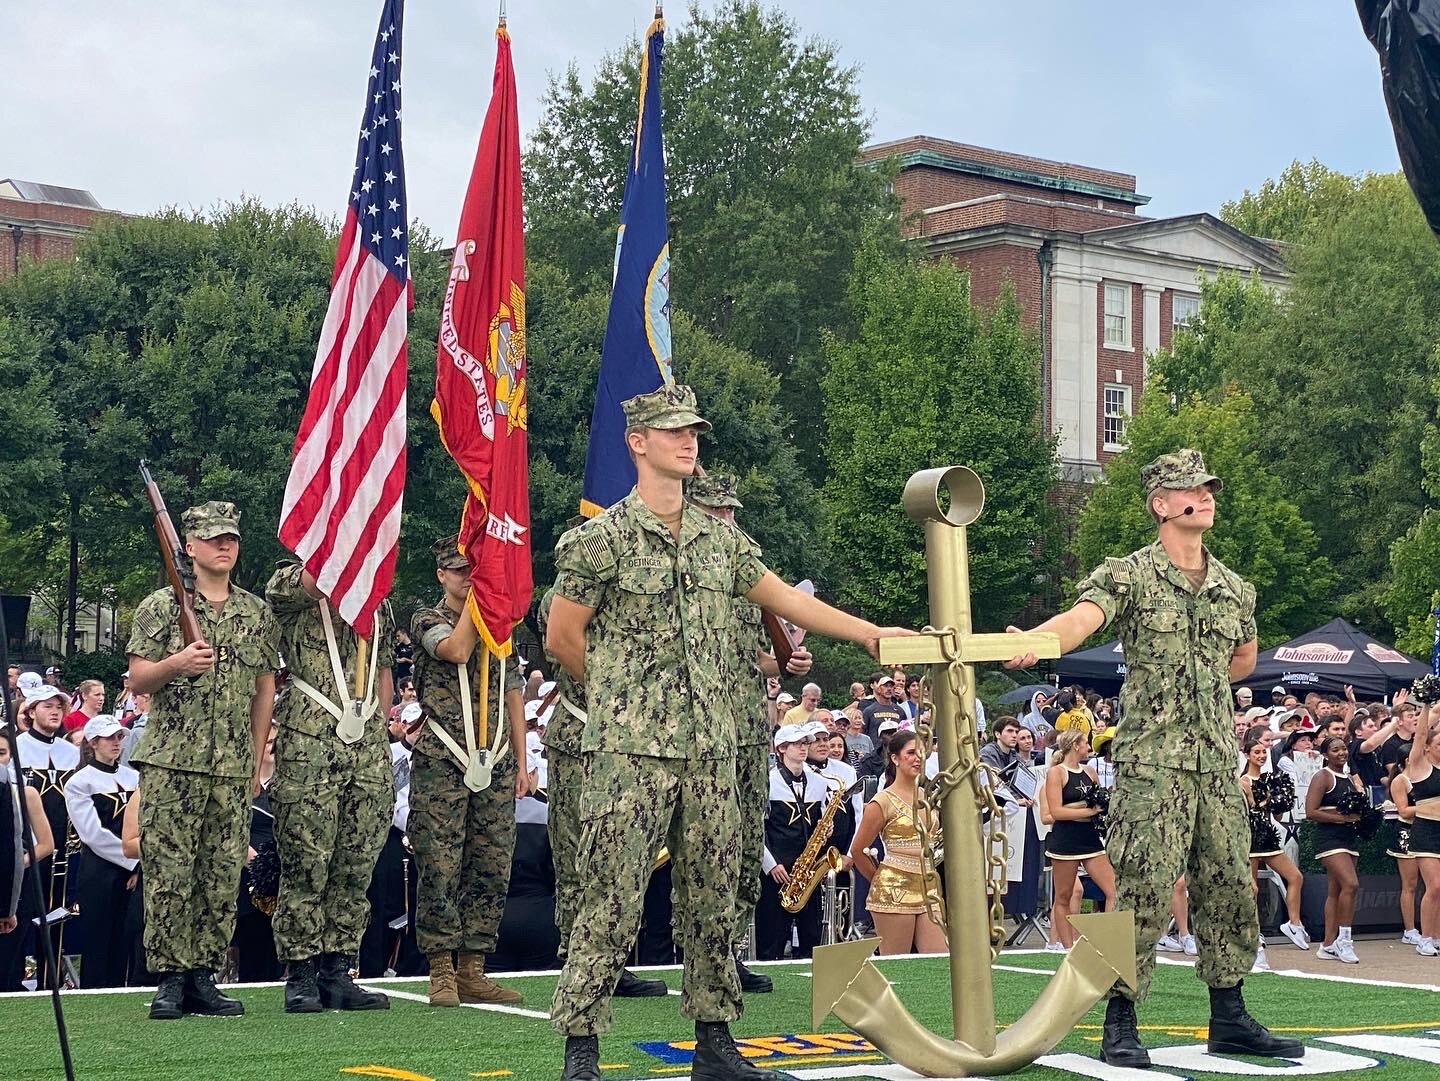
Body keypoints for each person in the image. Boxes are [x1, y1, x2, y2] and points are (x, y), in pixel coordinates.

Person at [544, 385, 910, 1081]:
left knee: (716, 896)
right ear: (638, 443)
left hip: (713, 751)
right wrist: (626, 704)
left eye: (694, 432)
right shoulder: (601, 540)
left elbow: (786, 598)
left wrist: (868, 633)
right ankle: (581, 1051)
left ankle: (715, 1042)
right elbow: (564, 638)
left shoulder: (721, 540)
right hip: (632, 753)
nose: (689, 442)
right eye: (673, 431)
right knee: (611, 896)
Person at [1004, 449, 1299, 1067]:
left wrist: (1201, 678)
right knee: (1140, 889)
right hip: (1151, 764)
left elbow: (1246, 656)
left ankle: (1229, 1014)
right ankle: (1121, 1018)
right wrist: (1037, 640)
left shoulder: (1233, 587)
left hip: (1216, 760)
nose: (1205, 496)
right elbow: (1083, 619)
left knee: (1228, 884)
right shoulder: (1131, 574)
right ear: (1161, 504)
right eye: (1191, 489)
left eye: (1208, 487)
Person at [126, 500, 280, 1020]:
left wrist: (255, 757)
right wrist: (176, 663)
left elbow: (264, 688)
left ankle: (203, 975)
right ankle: (171, 977)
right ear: (188, 547)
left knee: (220, 873)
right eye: (214, 538)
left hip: (231, 765)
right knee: (170, 872)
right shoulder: (161, 605)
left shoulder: (255, 612)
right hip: (173, 762)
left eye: (231, 538)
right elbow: (138, 678)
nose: (224, 546)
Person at [687, 471, 813, 996]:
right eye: (716, 512)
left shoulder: (745, 579)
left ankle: (727, 953)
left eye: (731, 512)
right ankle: (693, 956)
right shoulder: (684, 574)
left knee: (742, 846)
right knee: (700, 848)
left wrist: (785, 661)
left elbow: (756, 656)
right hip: (698, 732)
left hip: (747, 730)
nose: (727, 521)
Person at [265, 562, 395, 1014]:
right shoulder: (291, 584)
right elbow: (302, 587)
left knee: (356, 863)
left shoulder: (377, 597)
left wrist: (380, 721)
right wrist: (342, 545)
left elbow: (382, 668)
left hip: (367, 743)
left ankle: (339, 969)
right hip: (311, 740)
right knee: (306, 860)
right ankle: (301, 971)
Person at [409, 536, 528, 1007]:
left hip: (494, 757)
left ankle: (473, 968)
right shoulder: (426, 618)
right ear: (442, 574)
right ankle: (440, 968)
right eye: (459, 571)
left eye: (473, 570)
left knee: (491, 864)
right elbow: (456, 649)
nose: (467, 578)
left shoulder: (499, 626)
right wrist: (482, 606)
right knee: (439, 864)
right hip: (444, 759)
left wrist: (522, 761)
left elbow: (513, 692)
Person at [536, 588, 667, 1000]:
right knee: (575, 853)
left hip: (625, 741)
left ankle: (611, 959)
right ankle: (577, 958)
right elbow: (564, 643)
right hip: (578, 737)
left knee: (620, 855)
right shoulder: (563, 596)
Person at [849, 730, 945, 955]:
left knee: (938, 959)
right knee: (896, 962)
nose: (917, 758)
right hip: (894, 887)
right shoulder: (882, 801)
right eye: (910, 753)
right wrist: (879, 879)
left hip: (928, 886)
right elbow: (858, 849)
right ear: (895, 758)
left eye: (921, 753)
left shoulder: (927, 796)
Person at [64, 714, 141, 987]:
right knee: (98, 941)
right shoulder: (79, 782)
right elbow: (92, 834)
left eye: (119, 737)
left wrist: (139, 866)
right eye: (109, 738)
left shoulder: (134, 777)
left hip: (133, 869)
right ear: (93, 742)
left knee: (126, 938)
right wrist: (132, 860)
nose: (116, 742)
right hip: (99, 870)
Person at [14, 682, 79, 989]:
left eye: (59, 707)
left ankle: (50, 980)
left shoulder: (71, 752)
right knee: (22, 915)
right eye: (47, 706)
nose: (55, 712)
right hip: (28, 848)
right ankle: (14, 980)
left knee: (57, 917)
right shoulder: (17, 747)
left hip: (63, 850)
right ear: (30, 711)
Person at [755, 725, 828, 960]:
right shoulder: (767, 781)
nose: (803, 748)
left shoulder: (819, 782)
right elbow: (756, 829)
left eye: (805, 743)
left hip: (808, 871)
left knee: (812, 936)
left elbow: (821, 821)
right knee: (771, 938)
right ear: (782, 748)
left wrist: (826, 830)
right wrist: (770, 865)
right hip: (777, 871)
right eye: (797, 744)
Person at [1041, 729, 1115, 950]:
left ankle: (1107, 944)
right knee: (1064, 896)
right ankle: (1067, 948)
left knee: (1113, 890)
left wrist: (1094, 809)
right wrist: (1087, 811)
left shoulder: (1090, 771)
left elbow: (1098, 801)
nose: (1089, 747)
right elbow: (1056, 812)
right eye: (1085, 743)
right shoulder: (1056, 773)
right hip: (1066, 840)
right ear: (1075, 745)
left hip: (1089, 837)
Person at [1238, 740, 1307, 955]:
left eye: (1264, 752)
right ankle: (1254, 934)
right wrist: (1265, 801)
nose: (1261, 755)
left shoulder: (1269, 780)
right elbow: (1249, 809)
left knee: (1295, 877)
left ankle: (1293, 924)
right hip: (1250, 838)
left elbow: (1276, 815)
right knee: (1252, 889)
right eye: (1256, 752)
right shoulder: (1243, 781)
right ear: (1247, 755)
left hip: (1268, 836)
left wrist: (1282, 801)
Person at [0, 730, 56, 990]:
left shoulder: (26, 793)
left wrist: (14, 865)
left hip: (15, 887)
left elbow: (46, 844)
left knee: (8, 963)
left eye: (2, 753)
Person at [1305, 736, 1363, 964]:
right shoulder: (1323, 776)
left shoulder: (1348, 778)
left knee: (1336, 891)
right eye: (1335, 750)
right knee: (1351, 884)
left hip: (1349, 838)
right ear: (1325, 754)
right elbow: (1310, 811)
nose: (1341, 753)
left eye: (1344, 749)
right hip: (1329, 838)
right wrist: (1341, 819)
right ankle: (1344, 940)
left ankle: (1327, 945)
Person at [1402, 702, 1440, 956]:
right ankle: (1424, 938)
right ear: (1428, 747)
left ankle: (1436, 936)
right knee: (1434, 885)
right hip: (1425, 830)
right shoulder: (1419, 766)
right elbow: (1421, 734)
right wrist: (1426, 706)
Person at [1388, 765, 1423, 947]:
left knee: (1433, 884)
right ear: (1408, 760)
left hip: (1428, 831)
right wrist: (1429, 806)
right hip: (1407, 833)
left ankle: (1432, 929)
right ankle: (1409, 930)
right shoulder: (1400, 780)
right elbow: (1403, 811)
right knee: (1410, 884)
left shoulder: (1427, 776)